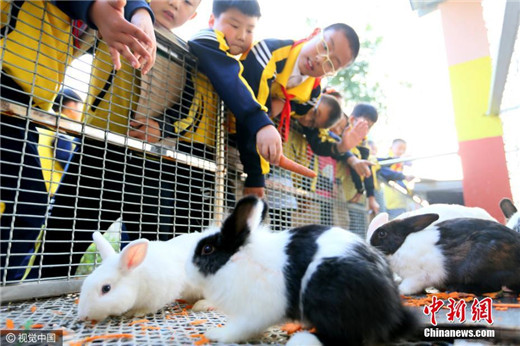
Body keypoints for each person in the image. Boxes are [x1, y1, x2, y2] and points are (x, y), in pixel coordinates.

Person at [40, 0, 201, 278]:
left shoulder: (190, 57)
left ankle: (148, 319)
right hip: (98, 152)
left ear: (193, 15)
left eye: (187, 2)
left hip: (152, 165)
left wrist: (162, 127)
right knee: (58, 244)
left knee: (153, 257)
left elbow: (191, 108)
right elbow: (73, 36)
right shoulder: (116, 14)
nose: (175, 3)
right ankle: (33, 308)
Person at [0, 0, 156, 281]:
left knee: (31, 210)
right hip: (10, 88)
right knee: (33, 212)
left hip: (26, 104)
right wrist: (95, 10)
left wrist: (141, 11)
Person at [237, 23, 362, 198]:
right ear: (315, 33)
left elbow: (312, 131)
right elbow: (254, 115)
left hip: (247, 152)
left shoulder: (312, 94)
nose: (321, 59)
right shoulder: (268, 52)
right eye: (325, 46)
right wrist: (256, 175)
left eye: (332, 64)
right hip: (225, 135)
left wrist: (286, 104)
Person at [187, 0, 283, 200]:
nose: (241, 36)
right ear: (212, 20)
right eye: (234, 25)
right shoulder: (206, 39)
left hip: (209, 156)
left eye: (250, 30)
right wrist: (260, 121)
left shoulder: (235, 65)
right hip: (180, 151)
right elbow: (230, 78)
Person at [381, 138, 414, 219]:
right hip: (390, 202)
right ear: (391, 147)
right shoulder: (387, 160)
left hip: (400, 201)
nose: (402, 151)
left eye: (404, 149)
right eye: (399, 148)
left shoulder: (401, 161)